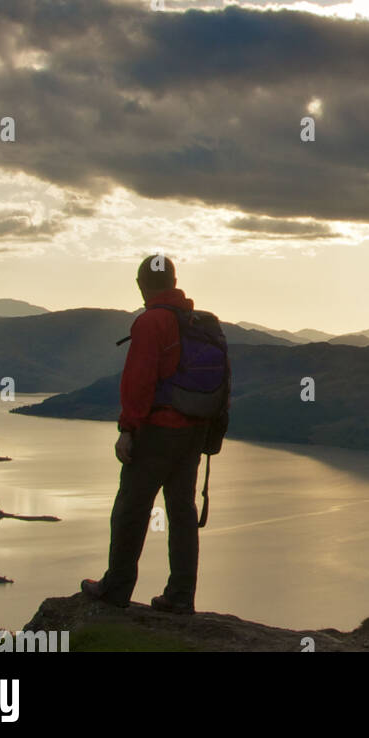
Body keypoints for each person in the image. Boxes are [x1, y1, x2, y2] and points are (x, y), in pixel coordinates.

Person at [81, 255, 225, 613]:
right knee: (181, 512)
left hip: (158, 431)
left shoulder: (151, 322)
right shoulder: (197, 322)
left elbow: (139, 381)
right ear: (174, 281)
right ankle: (180, 596)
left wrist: (128, 428)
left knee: (131, 507)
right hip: (194, 430)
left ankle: (116, 588)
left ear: (142, 284)